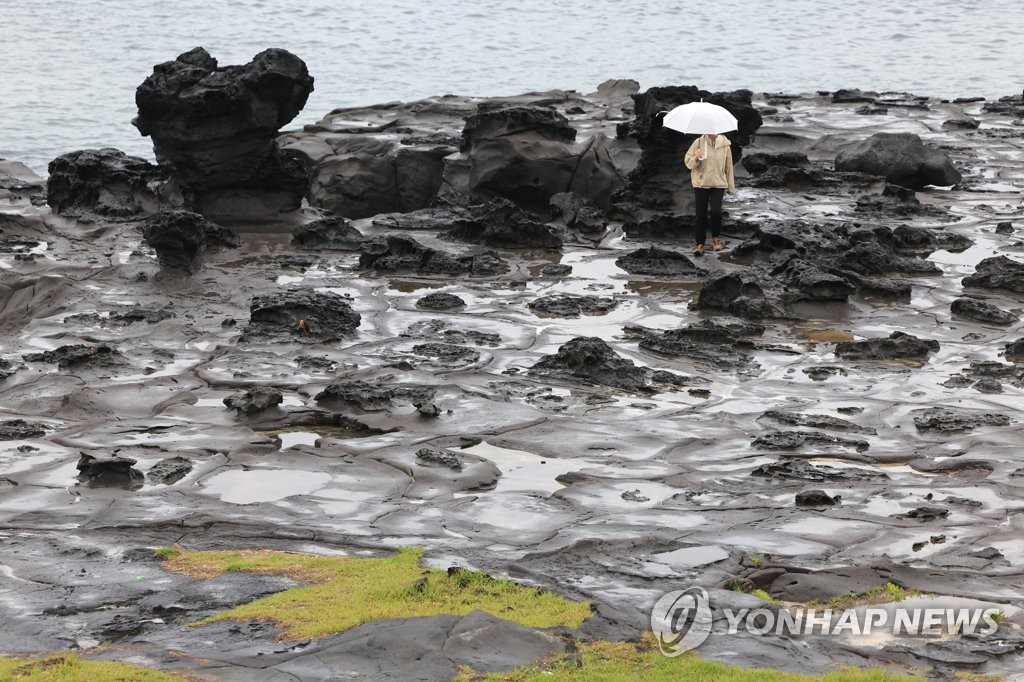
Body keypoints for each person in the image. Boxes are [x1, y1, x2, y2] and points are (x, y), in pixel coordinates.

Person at [683, 132, 736, 255]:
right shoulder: (699, 142)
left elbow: (729, 166)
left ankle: (716, 240)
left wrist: (730, 187)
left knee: (716, 211)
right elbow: (688, 163)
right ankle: (700, 244)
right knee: (700, 215)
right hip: (701, 183)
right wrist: (696, 158)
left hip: (719, 183)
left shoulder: (725, 144)